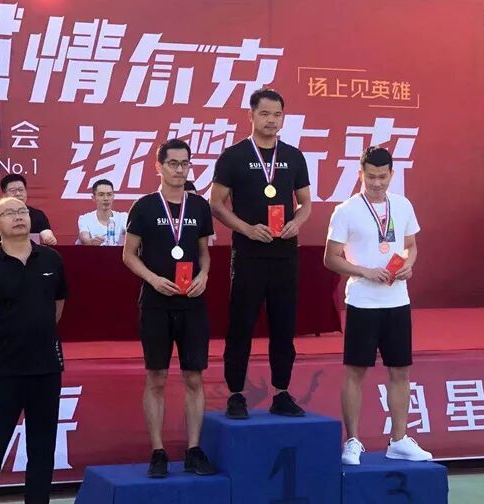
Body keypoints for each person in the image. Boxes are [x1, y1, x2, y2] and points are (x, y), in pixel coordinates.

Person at [324, 146, 432, 465]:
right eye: (370, 177)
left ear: (391, 175)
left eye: (382, 177)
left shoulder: (403, 205)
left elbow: (411, 246)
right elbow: (330, 258)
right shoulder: (346, 211)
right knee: (356, 371)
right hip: (362, 302)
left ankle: (398, 439)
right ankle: (353, 441)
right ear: (361, 174)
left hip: (397, 300)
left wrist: (408, 265)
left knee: (400, 370)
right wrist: (364, 271)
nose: (376, 183)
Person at [210, 88, 312, 419]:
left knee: (284, 326)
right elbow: (216, 204)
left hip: (285, 255)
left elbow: (305, 203)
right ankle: (236, 394)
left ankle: (281, 392)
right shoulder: (234, 156)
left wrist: (297, 222)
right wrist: (246, 229)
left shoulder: (294, 156)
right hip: (249, 255)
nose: (271, 120)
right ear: (251, 115)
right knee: (241, 326)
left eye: (277, 114)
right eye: (265, 114)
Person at [0, 197, 67, 503]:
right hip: (4, 371)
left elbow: (57, 307)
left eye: (23, 212)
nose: (18, 217)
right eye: (9, 213)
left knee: (42, 450)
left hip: (46, 369)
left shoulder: (52, 260)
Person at [123, 138, 217, 478]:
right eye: (173, 163)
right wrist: (153, 279)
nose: (179, 170)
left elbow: (204, 252)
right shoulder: (145, 207)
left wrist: (204, 275)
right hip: (156, 303)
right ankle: (158, 452)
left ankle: (193, 449)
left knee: (194, 376)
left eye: (185, 163)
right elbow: (128, 255)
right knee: (157, 377)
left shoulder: (199, 206)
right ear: (159, 166)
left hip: (192, 303)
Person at [0, 174, 57, 246]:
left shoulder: (37, 214)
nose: (18, 194)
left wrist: (50, 239)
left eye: (21, 189)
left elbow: (47, 235)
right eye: (13, 190)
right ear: (4, 194)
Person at [77, 179, 128, 245]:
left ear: (113, 197)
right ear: (93, 198)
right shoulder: (85, 219)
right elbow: (84, 238)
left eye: (109, 194)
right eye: (101, 195)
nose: (106, 198)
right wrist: (90, 242)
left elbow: (133, 235)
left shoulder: (123, 217)